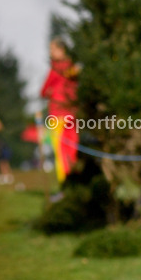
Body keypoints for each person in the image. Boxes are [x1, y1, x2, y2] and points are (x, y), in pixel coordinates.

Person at [40, 38, 81, 183]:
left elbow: (43, 91)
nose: (50, 53)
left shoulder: (58, 69)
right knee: (67, 151)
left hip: (63, 115)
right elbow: (44, 91)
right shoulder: (70, 68)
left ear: (62, 50)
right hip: (66, 115)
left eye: (53, 49)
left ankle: (68, 183)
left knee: (65, 151)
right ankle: (69, 183)